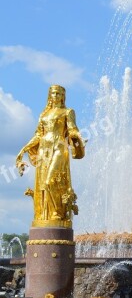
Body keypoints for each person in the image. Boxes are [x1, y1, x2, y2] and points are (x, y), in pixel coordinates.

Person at [16, 85, 85, 225]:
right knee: (42, 184)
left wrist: (77, 137)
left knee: (50, 181)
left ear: (63, 96)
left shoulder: (67, 112)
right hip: (43, 150)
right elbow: (38, 135)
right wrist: (24, 149)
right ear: (50, 95)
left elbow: (72, 129)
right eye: (54, 93)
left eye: (59, 94)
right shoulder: (43, 115)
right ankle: (44, 216)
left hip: (59, 148)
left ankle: (58, 212)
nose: (56, 96)